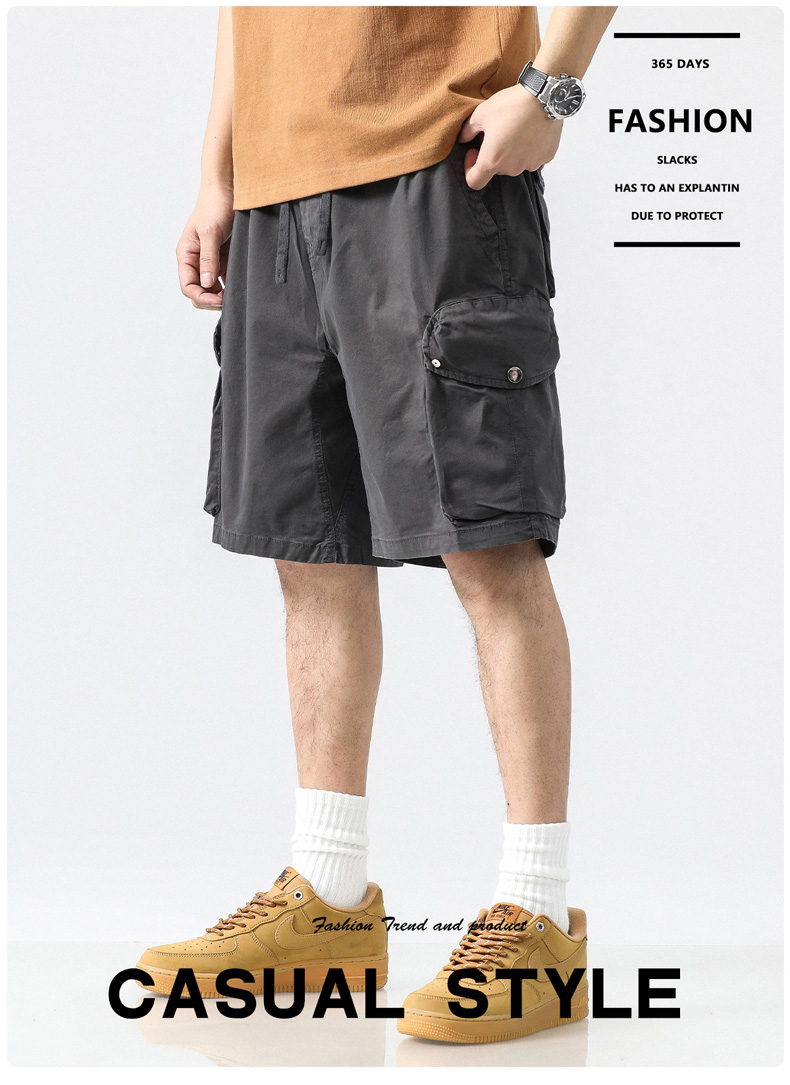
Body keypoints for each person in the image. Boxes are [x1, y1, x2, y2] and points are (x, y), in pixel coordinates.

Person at [137, 5, 616, 1044]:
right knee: (309, 552)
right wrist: (218, 176)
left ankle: (537, 911)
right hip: (274, 196)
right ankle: (327, 893)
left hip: (436, 168)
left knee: (488, 543)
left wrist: (551, 90)